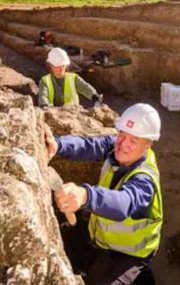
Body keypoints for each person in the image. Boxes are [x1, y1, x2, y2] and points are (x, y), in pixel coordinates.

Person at [45, 103, 163, 285]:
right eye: (122, 135)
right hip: (101, 240)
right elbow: (89, 145)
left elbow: (123, 203)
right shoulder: (116, 147)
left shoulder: (145, 180)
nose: (123, 144)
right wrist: (58, 144)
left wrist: (86, 196)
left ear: (148, 145)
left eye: (133, 141)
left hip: (130, 255)